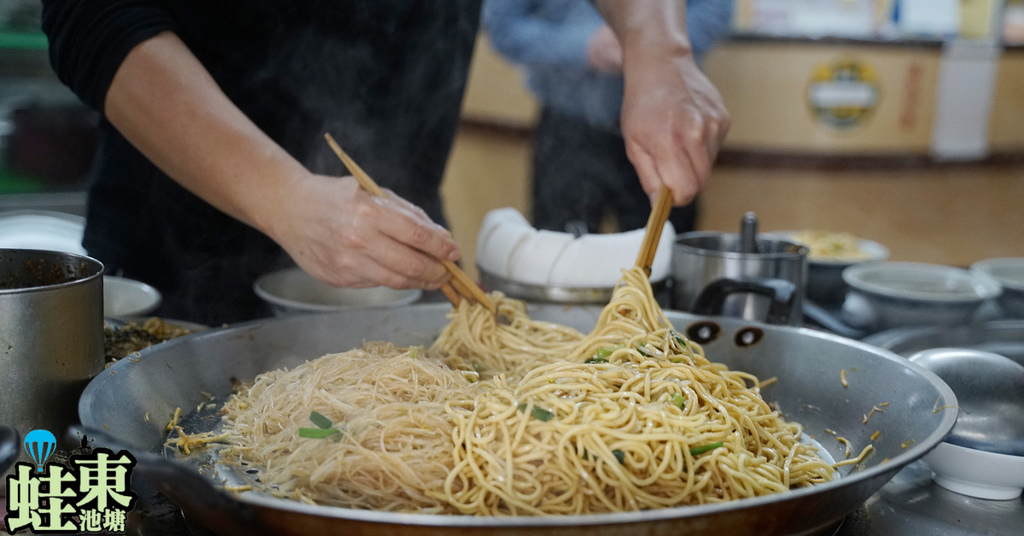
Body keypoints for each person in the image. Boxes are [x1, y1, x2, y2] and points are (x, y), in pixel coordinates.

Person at [41, 0, 729, 325]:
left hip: (399, 255)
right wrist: (285, 198)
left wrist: (656, 44)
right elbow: (93, 17)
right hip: (175, 269)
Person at [484, 0, 733, 234]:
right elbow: (503, 25)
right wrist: (585, 45)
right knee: (558, 258)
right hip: (568, 126)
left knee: (665, 255)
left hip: (665, 130)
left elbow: (715, 9)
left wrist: (653, 49)